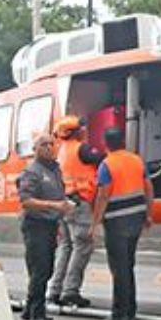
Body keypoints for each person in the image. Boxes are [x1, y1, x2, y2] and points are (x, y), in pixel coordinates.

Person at [91, 127, 154, 320]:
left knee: (119, 268)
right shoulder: (137, 160)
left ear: (106, 144)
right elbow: (148, 188)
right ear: (124, 142)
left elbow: (103, 194)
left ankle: (120, 314)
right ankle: (131, 310)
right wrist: (149, 214)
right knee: (128, 265)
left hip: (116, 221)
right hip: (136, 218)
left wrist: (95, 222)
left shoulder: (107, 164)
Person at [47, 116, 103, 308]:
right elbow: (103, 159)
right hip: (79, 203)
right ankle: (70, 291)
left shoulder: (60, 150)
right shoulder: (82, 149)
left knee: (66, 246)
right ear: (76, 132)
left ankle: (54, 289)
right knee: (82, 246)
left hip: (63, 203)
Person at [17, 133, 71, 320]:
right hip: (35, 225)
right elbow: (26, 201)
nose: (49, 147)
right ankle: (38, 315)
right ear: (35, 149)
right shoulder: (32, 172)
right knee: (40, 270)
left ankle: (30, 307)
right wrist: (54, 205)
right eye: (43, 145)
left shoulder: (55, 170)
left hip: (50, 225)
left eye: (51, 144)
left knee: (46, 269)